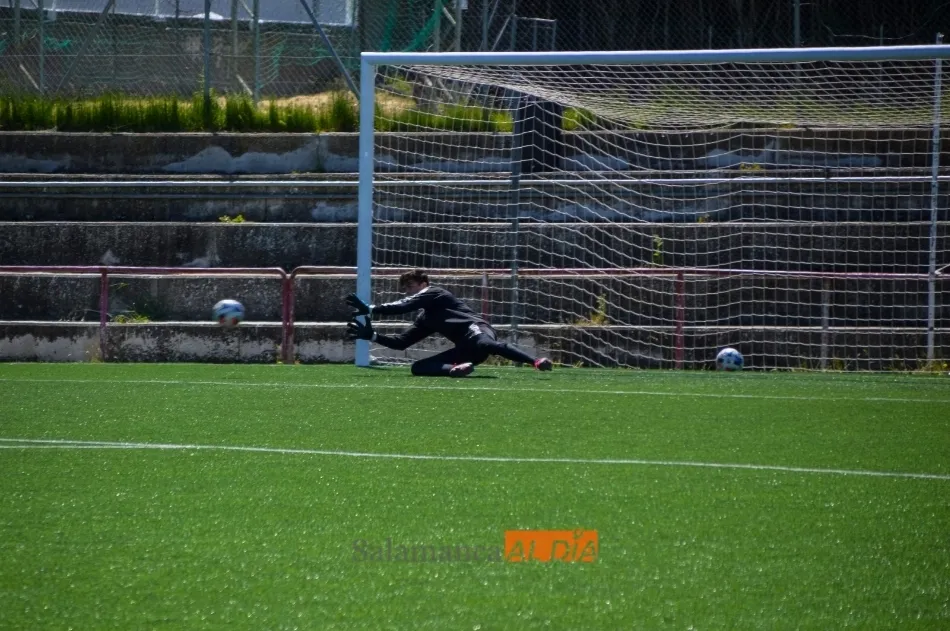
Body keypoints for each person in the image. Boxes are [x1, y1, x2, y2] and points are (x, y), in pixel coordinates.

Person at [345, 270, 553, 377]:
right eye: (405, 288)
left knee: (484, 343)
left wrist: (371, 309)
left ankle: (535, 362)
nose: (408, 291)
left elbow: (405, 305)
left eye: (411, 286)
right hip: (467, 351)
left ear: (424, 284)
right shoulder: (425, 318)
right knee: (418, 368)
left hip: (477, 329)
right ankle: (455, 369)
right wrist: (372, 336)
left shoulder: (435, 292)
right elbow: (401, 343)